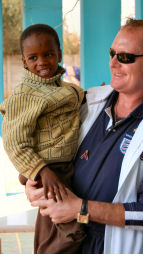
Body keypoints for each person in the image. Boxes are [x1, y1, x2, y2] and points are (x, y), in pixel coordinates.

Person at [27, 18, 143, 254]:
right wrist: (34, 180)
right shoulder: (85, 101)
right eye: (112, 53)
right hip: (64, 243)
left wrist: (80, 208)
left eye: (125, 57)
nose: (113, 63)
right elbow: (49, 151)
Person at [0, 24, 86, 253]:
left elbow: (78, 101)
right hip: (48, 171)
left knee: (60, 229)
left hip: (66, 168)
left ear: (59, 54)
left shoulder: (65, 89)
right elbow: (15, 143)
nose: (42, 62)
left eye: (48, 54)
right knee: (62, 236)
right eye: (33, 57)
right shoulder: (24, 95)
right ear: (23, 61)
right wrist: (42, 171)